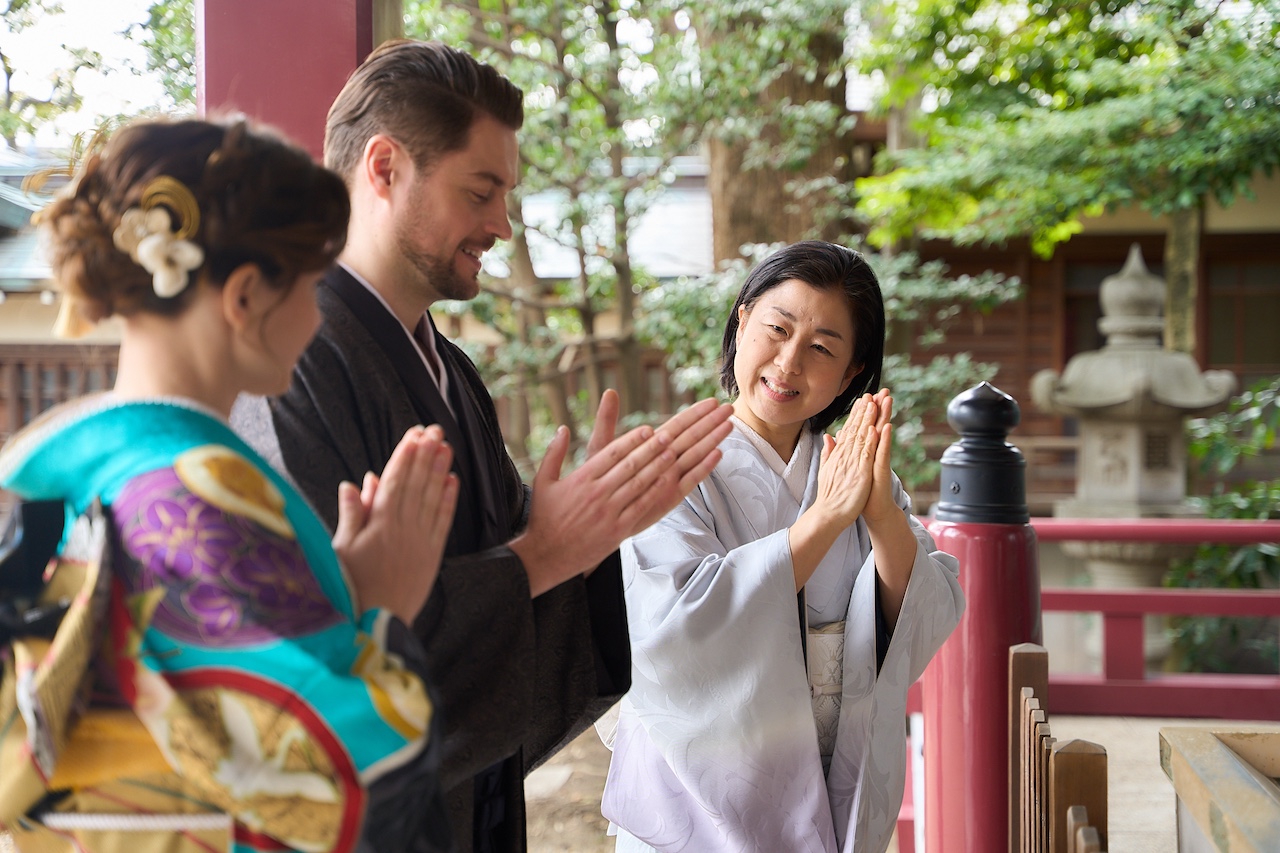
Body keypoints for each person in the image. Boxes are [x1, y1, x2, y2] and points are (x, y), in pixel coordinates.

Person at [229, 39, 733, 853]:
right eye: (481, 190)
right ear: (385, 168)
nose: (502, 224)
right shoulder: (286, 361)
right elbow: (315, 647)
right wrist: (542, 553)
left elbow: (519, 582)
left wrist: (590, 533)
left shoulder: (451, 371)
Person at [0, 117, 458, 853]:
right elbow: (344, 783)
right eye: (313, 287)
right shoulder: (199, 497)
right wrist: (382, 617)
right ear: (245, 298)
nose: (317, 315)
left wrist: (334, 584)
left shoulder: (61, 465)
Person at [600, 241, 966, 853]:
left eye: (822, 347)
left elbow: (925, 618)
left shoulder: (854, 473)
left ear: (852, 374)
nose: (789, 362)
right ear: (742, 323)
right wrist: (826, 518)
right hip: (699, 796)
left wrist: (878, 515)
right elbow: (676, 627)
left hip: (830, 779)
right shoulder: (672, 467)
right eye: (777, 328)